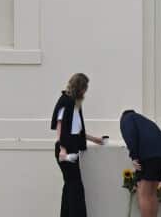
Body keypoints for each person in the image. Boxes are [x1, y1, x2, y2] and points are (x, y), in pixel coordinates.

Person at [50, 73, 106, 217]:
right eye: (85, 88)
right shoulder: (66, 101)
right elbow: (60, 126)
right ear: (80, 87)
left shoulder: (75, 104)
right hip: (65, 150)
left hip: (71, 148)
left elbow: (77, 131)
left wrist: (95, 140)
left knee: (70, 186)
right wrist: (63, 150)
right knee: (75, 187)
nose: (85, 91)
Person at [119, 109, 161, 217]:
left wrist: (134, 156)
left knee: (143, 193)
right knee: (152, 193)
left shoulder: (127, 119)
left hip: (150, 154)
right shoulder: (143, 120)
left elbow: (130, 135)